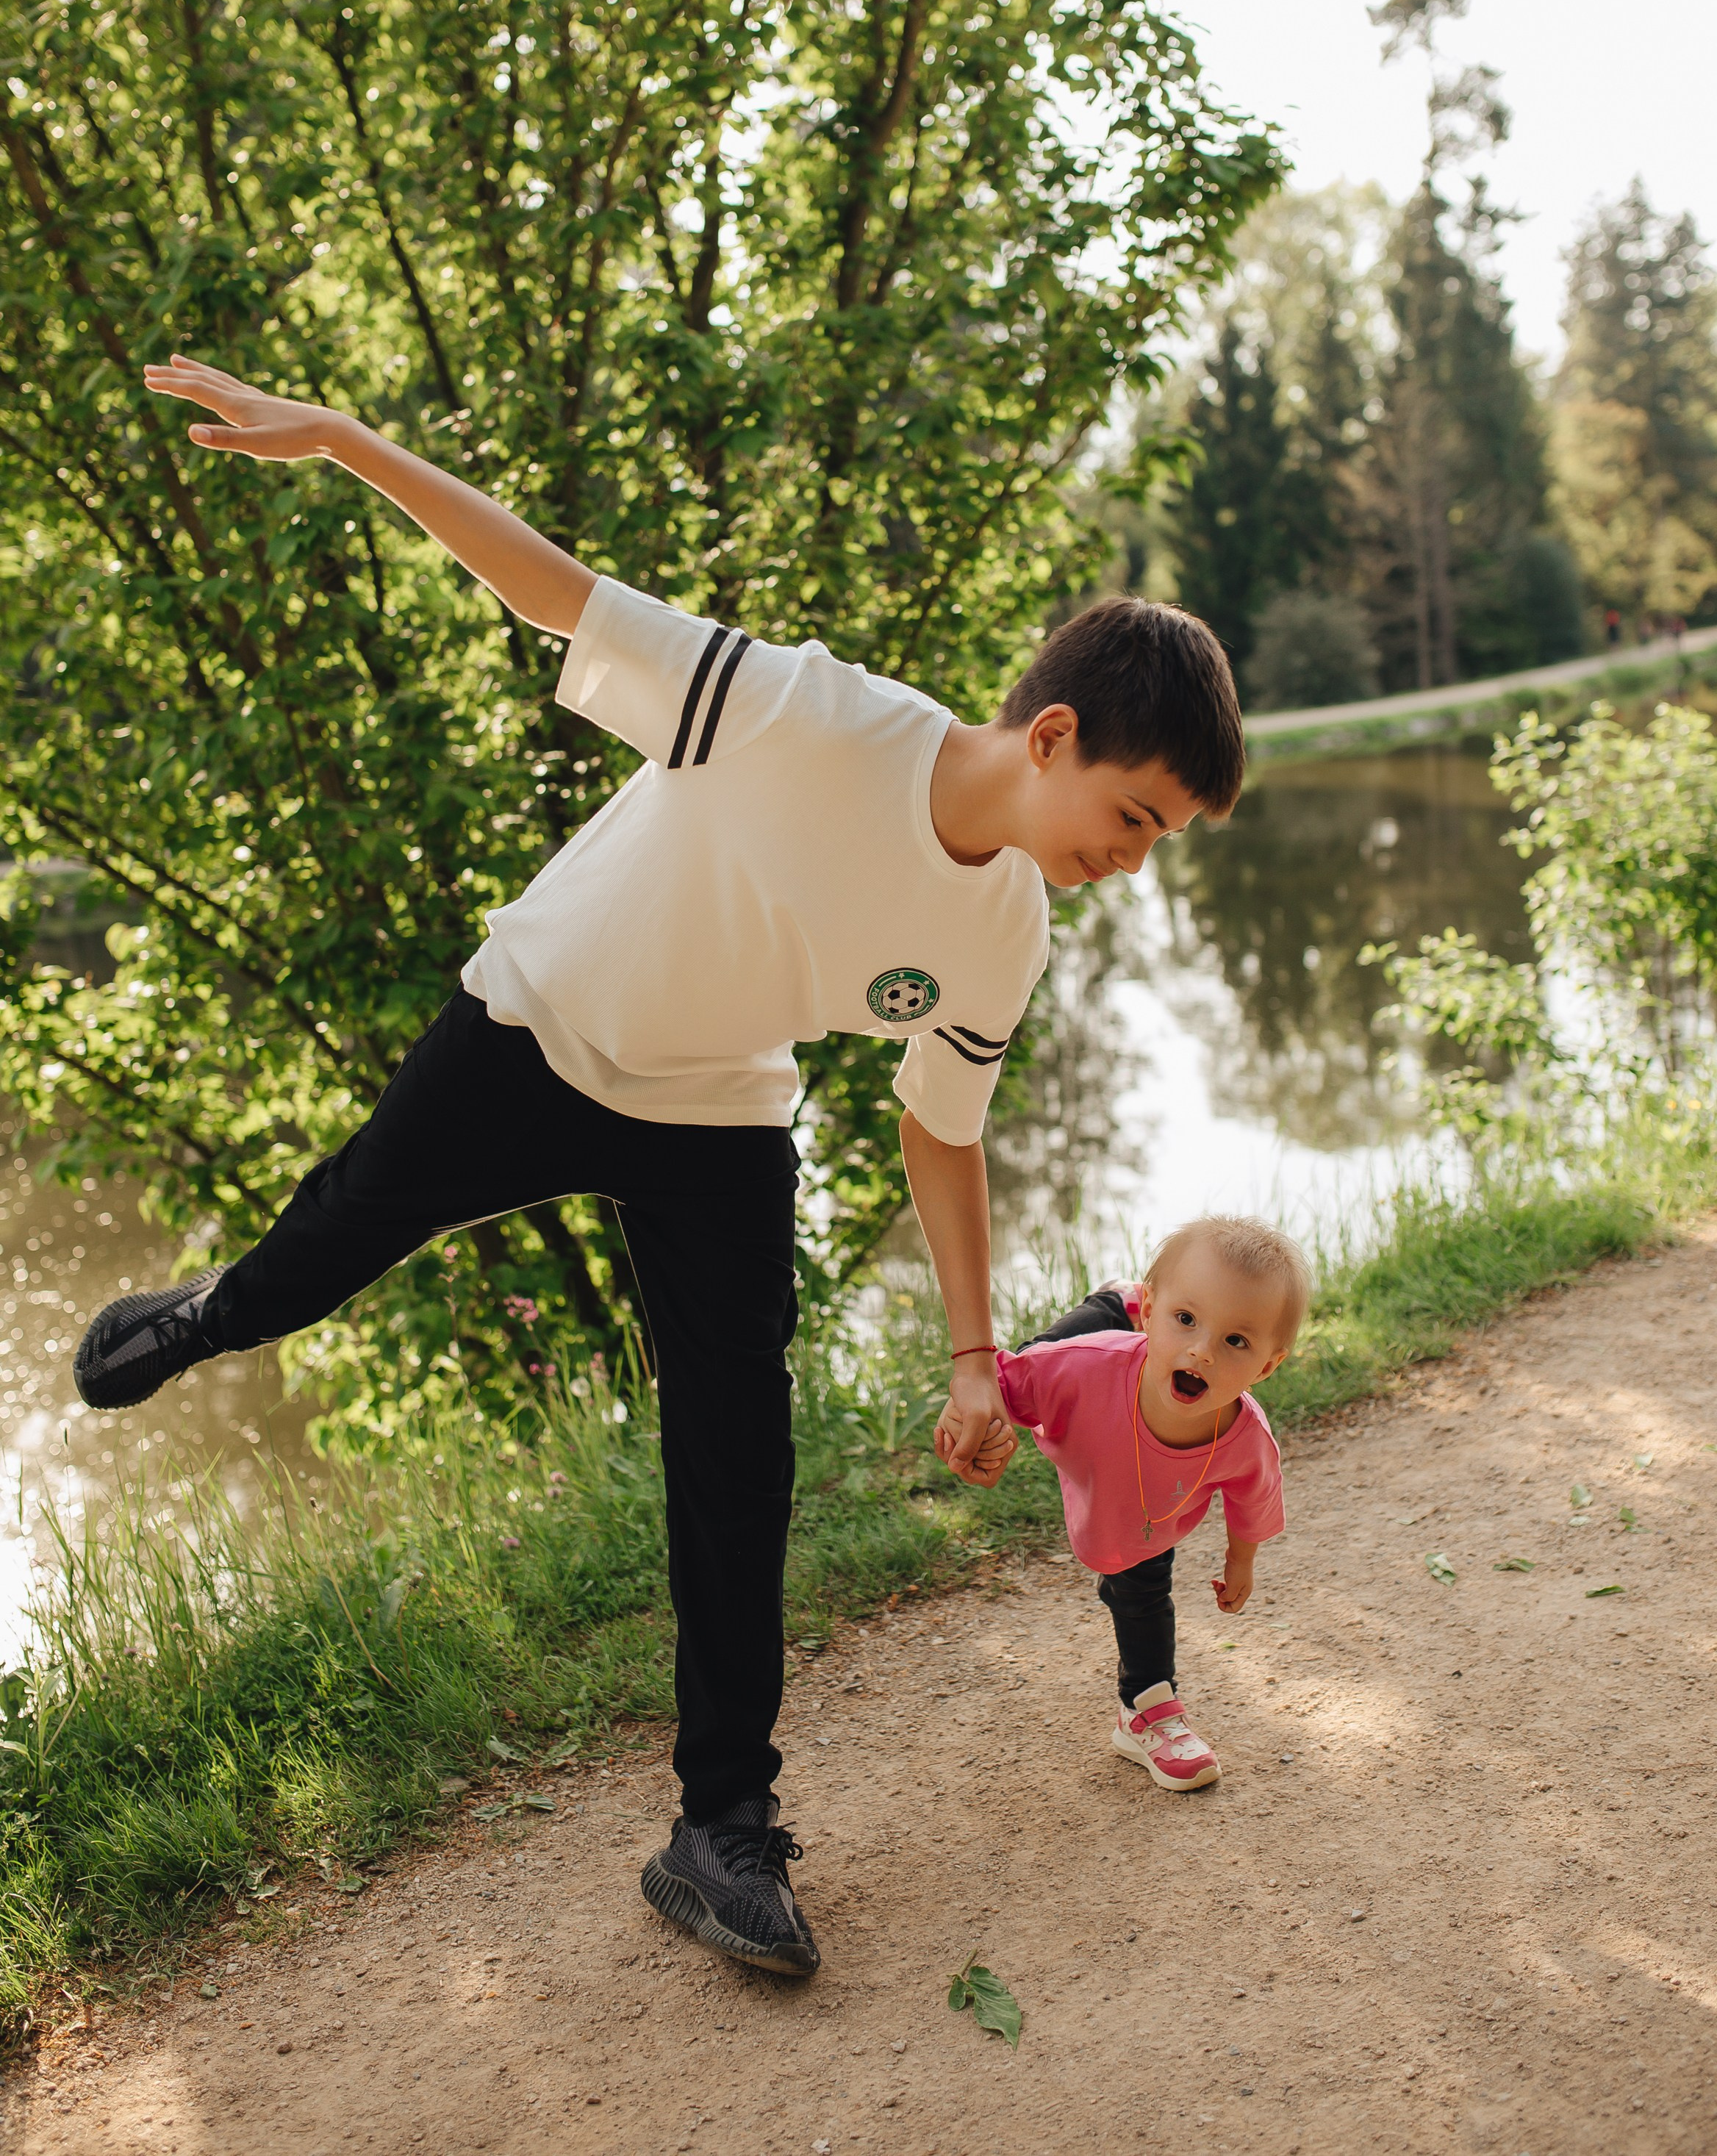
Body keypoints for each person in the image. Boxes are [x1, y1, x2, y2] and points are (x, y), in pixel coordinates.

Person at [74, 354, 1246, 1974]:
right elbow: (564, 597)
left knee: (737, 1451)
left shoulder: (1009, 921)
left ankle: (720, 1825)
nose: (1125, 864)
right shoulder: (809, 715)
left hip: (714, 1113)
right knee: (330, 1246)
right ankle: (212, 1310)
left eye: (1154, 845)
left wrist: (978, 1353)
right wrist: (347, 443)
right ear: (1051, 736)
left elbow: (941, 1125)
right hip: (541, 1020)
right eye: (1131, 820)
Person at [981, 1216, 1309, 1789]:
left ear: (1267, 1366)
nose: (1203, 1350)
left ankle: (1147, 1710)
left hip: (1148, 1510)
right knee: (1042, 1354)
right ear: (1156, 1312)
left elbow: (1253, 1501)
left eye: (1236, 1340)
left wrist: (1242, 1563)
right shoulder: (1082, 1367)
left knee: (1143, 1588)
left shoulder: (1244, 1439)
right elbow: (996, 1386)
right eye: (1186, 1319)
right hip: (1093, 1393)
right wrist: (978, 1422)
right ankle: (1114, 1303)